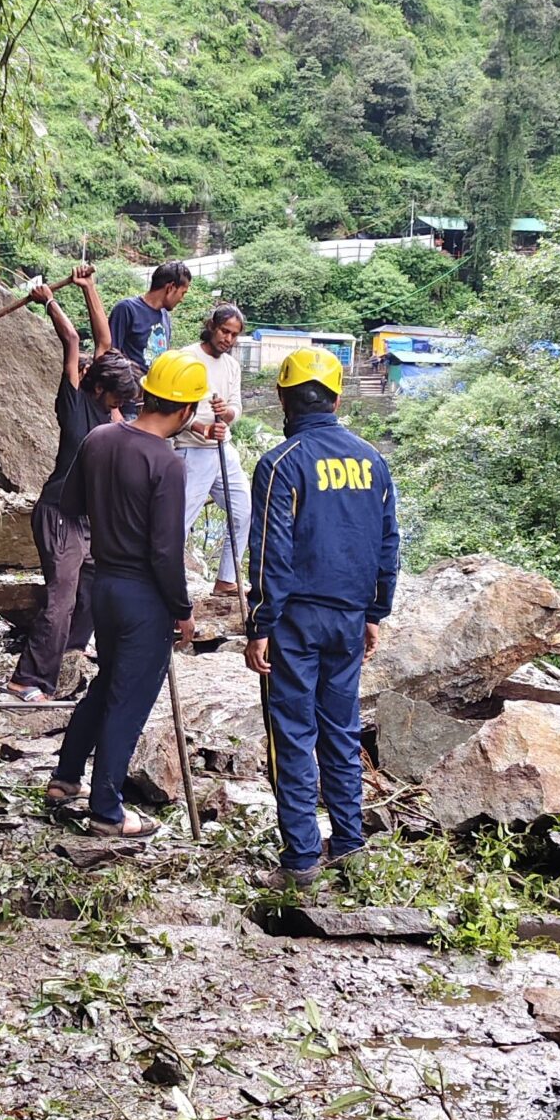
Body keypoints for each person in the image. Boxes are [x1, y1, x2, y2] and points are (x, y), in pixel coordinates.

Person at [243, 347, 400, 888]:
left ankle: (303, 859)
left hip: (296, 622)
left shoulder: (281, 463)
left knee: (291, 733)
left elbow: (270, 553)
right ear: (336, 398)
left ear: (285, 399)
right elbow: (387, 543)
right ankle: (350, 844)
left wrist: (260, 624)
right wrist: (375, 611)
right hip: (350, 618)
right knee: (340, 729)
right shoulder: (372, 461)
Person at [45, 351, 208, 836]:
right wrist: (182, 610)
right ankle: (107, 810)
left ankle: (65, 776)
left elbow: (70, 501)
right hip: (144, 598)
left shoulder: (99, 437)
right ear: (186, 411)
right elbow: (165, 552)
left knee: (108, 682)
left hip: (106, 587)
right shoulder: (166, 463)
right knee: (129, 700)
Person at [7, 262, 134, 701]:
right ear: (99, 388)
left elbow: (105, 341)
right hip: (59, 513)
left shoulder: (105, 407)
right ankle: (28, 679)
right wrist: (51, 303)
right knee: (60, 602)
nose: (122, 405)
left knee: (94, 590)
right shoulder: (75, 402)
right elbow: (75, 340)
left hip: (88, 518)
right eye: (119, 397)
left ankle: (70, 658)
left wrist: (89, 286)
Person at [168, 302, 251, 599]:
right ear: (212, 326)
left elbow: (236, 408)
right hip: (191, 449)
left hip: (222, 447)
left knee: (243, 510)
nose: (227, 339)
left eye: (234, 335)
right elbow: (173, 406)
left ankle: (227, 579)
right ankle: (168, 586)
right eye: (224, 331)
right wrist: (200, 426)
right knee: (179, 522)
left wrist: (226, 414)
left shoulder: (231, 366)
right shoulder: (186, 357)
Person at [108, 259, 191, 372]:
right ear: (170, 287)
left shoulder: (165, 316)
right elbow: (110, 355)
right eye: (183, 293)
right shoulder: (127, 309)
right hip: (131, 387)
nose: (182, 299)